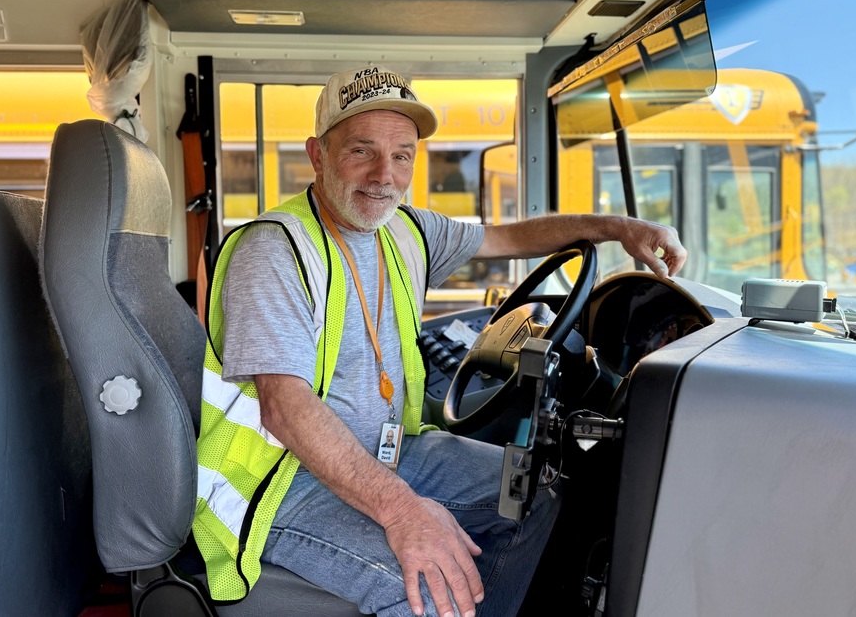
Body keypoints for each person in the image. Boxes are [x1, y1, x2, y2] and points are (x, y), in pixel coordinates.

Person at [193, 66, 686, 617]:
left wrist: (617, 228)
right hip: (279, 483)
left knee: (537, 490)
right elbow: (285, 409)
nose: (385, 174)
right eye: (362, 150)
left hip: (385, 453)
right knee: (430, 591)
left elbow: (509, 237)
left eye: (402, 155)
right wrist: (404, 512)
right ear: (317, 154)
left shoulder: (404, 228)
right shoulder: (273, 250)